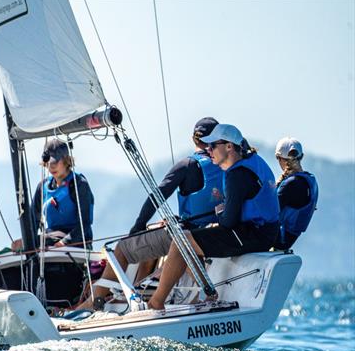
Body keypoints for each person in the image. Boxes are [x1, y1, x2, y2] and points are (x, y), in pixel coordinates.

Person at [72, 117, 225, 310]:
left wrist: (137, 227)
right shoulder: (227, 163)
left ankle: (94, 302)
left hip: (187, 236)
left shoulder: (188, 165)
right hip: (215, 233)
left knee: (122, 248)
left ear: (194, 140)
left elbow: (157, 197)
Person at [148, 124, 280, 310]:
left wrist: (220, 213)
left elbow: (228, 222)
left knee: (182, 241)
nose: (208, 151)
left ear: (229, 146)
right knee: (191, 237)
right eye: (207, 146)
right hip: (263, 232)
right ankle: (209, 293)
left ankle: (156, 303)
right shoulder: (253, 160)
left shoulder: (237, 175)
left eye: (212, 146)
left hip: (253, 235)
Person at [11, 139, 94, 251]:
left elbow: (85, 223)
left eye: (55, 162)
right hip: (51, 240)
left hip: (77, 245)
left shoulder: (78, 184)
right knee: (18, 247)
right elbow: (33, 221)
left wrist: (65, 242)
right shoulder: (43, 186)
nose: (51, 166)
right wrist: (26, 241)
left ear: (66, 161)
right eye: (48, 163)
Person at [272, 137, 318, 250]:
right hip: (288, 241)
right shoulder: (310, 181)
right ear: (301, 157)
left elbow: (269, 211)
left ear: (279, 158)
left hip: (278, 239)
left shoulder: (290, 184)